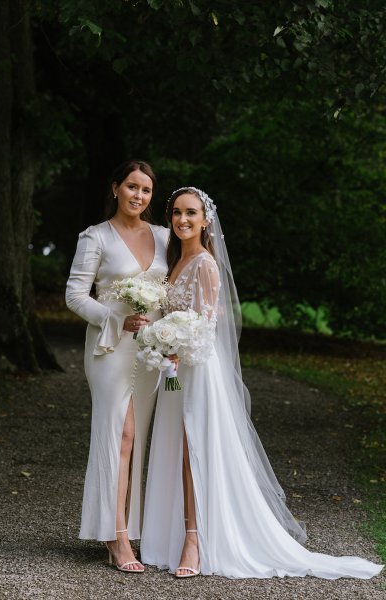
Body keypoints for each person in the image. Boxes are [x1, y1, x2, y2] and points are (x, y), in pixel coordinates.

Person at [140, 186, 383, 580]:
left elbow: (206, 328)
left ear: (206, 220)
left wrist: (174, 345)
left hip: (198, 371)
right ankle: (169, 536)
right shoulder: (175, 265)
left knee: (193, 450)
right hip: (173, 370)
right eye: (176, 213)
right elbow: (171, 319)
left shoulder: (205, 264)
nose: (183, 220)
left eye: (191, 213)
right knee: (173, 446)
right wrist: (155, 338)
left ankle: (194, 540)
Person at [65, 160, 169, 573]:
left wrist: (175, 333)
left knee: (135, 438)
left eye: (145, 190)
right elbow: (75, 295)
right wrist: (113, 318)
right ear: (115, 188)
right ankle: (116, 535)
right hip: (110, 348)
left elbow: (171, 290)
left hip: (149, 352)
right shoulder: (96, 237)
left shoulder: (162, 237)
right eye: (131, 187)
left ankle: (127, 525)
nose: (138, 195)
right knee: (119, 434)